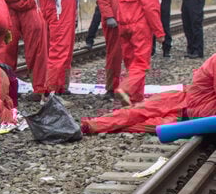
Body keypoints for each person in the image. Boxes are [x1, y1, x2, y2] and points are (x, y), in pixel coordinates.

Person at [82, 53, 216, 134]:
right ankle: (97, 125)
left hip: (193, 103)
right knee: (142, 114)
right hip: (195, 105)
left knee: (142, 113)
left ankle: (97, 124)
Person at [115, 0, 165, 106]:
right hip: (139, 27)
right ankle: (125, 88)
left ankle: (136, 97)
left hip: (123, 26)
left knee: (131, 63)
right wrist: (159, 32)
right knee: (141, 63)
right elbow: (151, 9)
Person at [0, 0, 47, 97]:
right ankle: (39, 89)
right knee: (36, 55)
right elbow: (23, 1)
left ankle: (6, 89)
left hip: (14, 21)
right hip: (31, 20)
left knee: (6, 55)